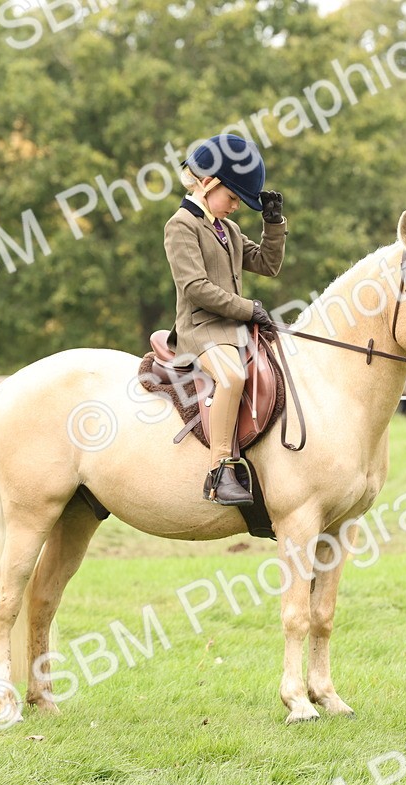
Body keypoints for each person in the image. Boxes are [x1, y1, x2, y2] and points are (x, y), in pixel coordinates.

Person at [164, 134, 287, 506]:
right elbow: (196, 288)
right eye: (232, 198)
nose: (235, 207)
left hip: (234, 331)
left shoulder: (226, 229)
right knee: (232, 377)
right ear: (207, 183)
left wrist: (274, 222)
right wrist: (249, 309)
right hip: (200, 331)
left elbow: (268, 264)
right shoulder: (181, 225)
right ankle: (220, 471)